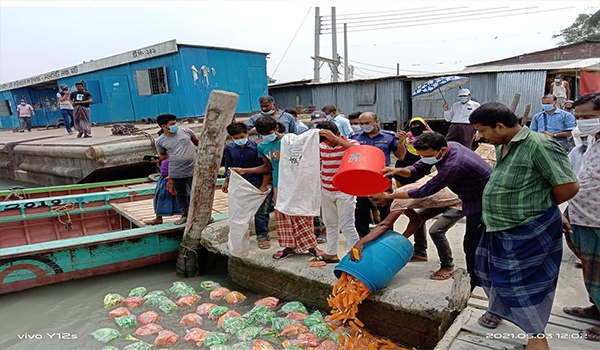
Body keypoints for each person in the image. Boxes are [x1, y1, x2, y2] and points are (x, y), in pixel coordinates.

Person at [470, 102, 579, 350]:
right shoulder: (503, 145)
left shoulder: (539, 145)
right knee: (492, 273)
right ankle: (498, 313)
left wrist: (546, 208)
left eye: (483, 131)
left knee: (523, 285)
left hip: (527, 229)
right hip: (499, 226)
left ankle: (536, 339)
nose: (481, 137)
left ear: (500, 126)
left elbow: (568, 186)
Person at [376, 132, 492, 291]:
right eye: (421, 155)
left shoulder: (455, 164)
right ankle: (421, 252)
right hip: (462, 195)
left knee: (471, 243)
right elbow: (416, 168)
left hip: (481, 201)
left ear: (442, 150)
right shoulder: (448, 148)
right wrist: (396, 171)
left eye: (427, 156)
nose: (424, 159)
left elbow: (423, 191)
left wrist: (389, 195)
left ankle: (476, 284)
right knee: (471, 241)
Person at [233, 116, 322, 260]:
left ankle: (312, 246)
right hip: (279, 186)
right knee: (283, 217)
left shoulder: (291, 140)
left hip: (297, 183)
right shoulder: (262, 146)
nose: (268, 136)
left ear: (276, 128)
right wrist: (245, 171)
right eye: (264, 134)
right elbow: (267, 167)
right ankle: (289, 246)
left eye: (269, 132)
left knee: (303, 215)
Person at [365, 175, 463, 280]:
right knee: (421, 216)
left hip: (459, 201)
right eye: (373, 201)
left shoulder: (398, 200)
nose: (376, 203)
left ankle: (447, 266)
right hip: (442, 201)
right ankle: (420, 252)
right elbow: (416, 220)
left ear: (386, 193)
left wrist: (362, 242)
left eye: (377, 199)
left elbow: (384, 225)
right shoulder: (398, 198)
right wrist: (401, 240)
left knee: (436, 231)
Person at [561, 92, 600, 342]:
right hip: (581, 213)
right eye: (578, 117)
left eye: (589, 116)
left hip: (598, 218)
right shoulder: (593, 140)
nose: (582, 121)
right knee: (591, 268)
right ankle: (596, 307)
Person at [312, 121, 360, 264]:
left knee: (347, 225)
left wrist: (335, 139)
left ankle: (356, 254)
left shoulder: (350, 143)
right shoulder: (322, 147)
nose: (327, 143)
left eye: (329, 139)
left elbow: (359, 151)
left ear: (338, 134)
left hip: (345, 191)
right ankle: (331, 253)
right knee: (330, 224)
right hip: (326, 190)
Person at [350, 112, 403, 238]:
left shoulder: (389, 136)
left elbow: (400, 156)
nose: (364, 126)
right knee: (362, 208)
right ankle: (363, 237)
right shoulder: (354, 137)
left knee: (385, 207)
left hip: (382, 176)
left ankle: (387, 236)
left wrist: (401, 143)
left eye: (367, 123)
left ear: (376, 122)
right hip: (361, 176)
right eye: (361, 123)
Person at [223, 122, 271, 249]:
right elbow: (228, 166)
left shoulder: (257, 147)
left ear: (247, 134)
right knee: (238, 212)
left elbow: (267, 167)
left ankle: (262, 236)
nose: (239, 140)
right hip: (239, 184)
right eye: (236, 138)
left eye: (241, 137)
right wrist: (226, 181)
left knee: (261, 212)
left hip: (257, 183)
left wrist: (264, 185)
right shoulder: (230, 148)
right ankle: (238, 238)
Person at [155, 114, 199, 225]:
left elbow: (198, 143)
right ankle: (184, 215)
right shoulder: (160, 141)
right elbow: (164, 155)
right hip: (176, 171)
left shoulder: (187, 132)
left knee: (197, 192)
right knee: (181, 194)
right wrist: (156, 159)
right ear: (163, 126)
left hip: (193, 169)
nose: (176, 125)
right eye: (172, 124)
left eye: (175, 123)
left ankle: (199, 215)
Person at [393, 117, 432, 188]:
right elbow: (401, 155)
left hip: (422, 163)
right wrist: (400, 142)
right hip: (406, 162)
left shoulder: (430, 137)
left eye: (418, 126)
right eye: (413, 126)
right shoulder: (406, 136)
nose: (415, 128)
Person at [144, 157, 184, 225]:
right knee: (159, 196)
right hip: (164, 175)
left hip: (176, 175)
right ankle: (158, 217)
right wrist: (158, 159)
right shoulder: (165, 150)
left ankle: (184, 216)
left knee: (181, 196)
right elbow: (163, 155)